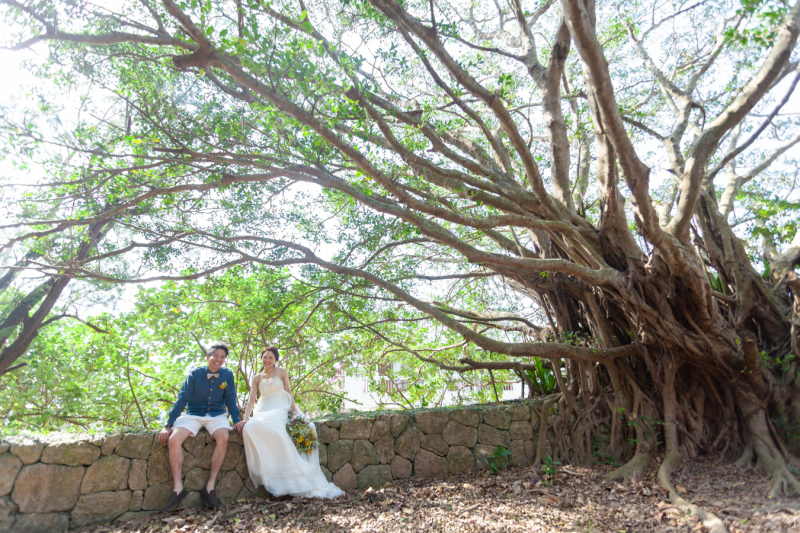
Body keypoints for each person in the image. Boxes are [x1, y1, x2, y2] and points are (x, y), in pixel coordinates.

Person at [240, 346, 344, 498]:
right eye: (264, 357)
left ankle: (293, 476)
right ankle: (269, 470)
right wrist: (245, 418)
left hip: (281, 406)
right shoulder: (257, 378)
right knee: (250, 427)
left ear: (275, 360)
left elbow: (288, 392)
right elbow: (251, 400)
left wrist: (294, 409)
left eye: (270, 357)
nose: (267, 360)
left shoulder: (282, 372)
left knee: (278, 430)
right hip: (264, 410)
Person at [158, 344, 243, 510]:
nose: (219, 359)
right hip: (193, 414)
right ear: (208, 357)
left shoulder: (227, 375)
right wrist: (168, 425)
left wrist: (236, 420)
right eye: (216, 355)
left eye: (222, 357)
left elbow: (231, 399)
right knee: (174, 439)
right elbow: (182, 399)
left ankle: (209, 487)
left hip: (217, 415)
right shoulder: (195, 374)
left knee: (224, 437)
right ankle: (178, 489)